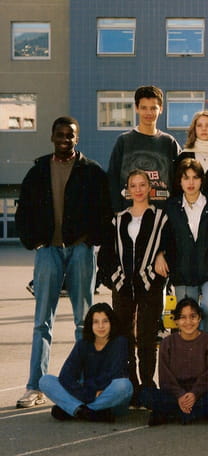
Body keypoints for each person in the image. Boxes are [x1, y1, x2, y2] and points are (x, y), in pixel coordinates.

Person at [16, 116, 112, 408]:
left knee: (84, 322)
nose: (64, 140)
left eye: (69, 135)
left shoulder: (92, 171)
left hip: (80, 251)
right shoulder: (38, 171)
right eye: (59, 134)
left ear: (76, 139)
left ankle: (83, 384)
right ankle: (35, 387)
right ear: (52, 136)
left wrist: (89, 240)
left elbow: (104, 211)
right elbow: (23, 211)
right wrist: (34, 241)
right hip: (48, 252)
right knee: (42, 322)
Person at [97, 169, 170, 395]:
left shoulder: (161, 218)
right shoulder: (118, 219)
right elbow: (105, 255)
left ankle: (147, 386)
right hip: (123, 286)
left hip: (150, 285)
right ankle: (131, 386)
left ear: (150, 188)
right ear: (127, 190)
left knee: (147, 338)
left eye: (142, 185)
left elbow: (170, 246)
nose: (138, 190)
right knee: (123, 338)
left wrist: (162, 254)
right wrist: (114, 279)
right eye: (133, 186)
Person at [140, 298, 208, 425]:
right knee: (145, 394)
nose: (188, 322)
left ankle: (170, 414)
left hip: (201, 394)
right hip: (174, 395)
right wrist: (180, 396)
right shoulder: (167, 343)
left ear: (199, 318)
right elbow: (165, 378)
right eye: (183, 317)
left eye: (193, 316)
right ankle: (197, 413)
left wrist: (194, 394)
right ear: (176, 321)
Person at [39, 303, 132, 422]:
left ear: (111, 323)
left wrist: (90, 392)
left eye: (105, 321)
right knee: (45, 381)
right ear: (90, 324)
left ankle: (75, 410)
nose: (101, 326)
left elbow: (116, 374)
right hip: (87, 394)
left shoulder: (119, 342)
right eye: (96, 322)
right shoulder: (83, 344)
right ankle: (88, 413)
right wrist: (89, 394)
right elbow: (66, 375)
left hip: (110, 398)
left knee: (124, 385)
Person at [165, 158, 208, 335]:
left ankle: (205, 344)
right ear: (180, 181)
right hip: (183, 272)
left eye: (195, 177)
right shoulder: (172, 207)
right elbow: (166, 240)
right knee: (187, 316)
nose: (191, 183)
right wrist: (163, 257)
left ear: (202, 180)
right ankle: (190, 349)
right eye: (186, 178)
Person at [107, 85, 181, 212]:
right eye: (144, 108)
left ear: (161, 109)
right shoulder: (124, 141)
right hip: (129, 214)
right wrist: (118, 211)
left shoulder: (169, 142)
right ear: (136, 108)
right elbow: (112, 180)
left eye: (153, 108)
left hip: (163, 215)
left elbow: (181, 180)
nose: (148, 113)